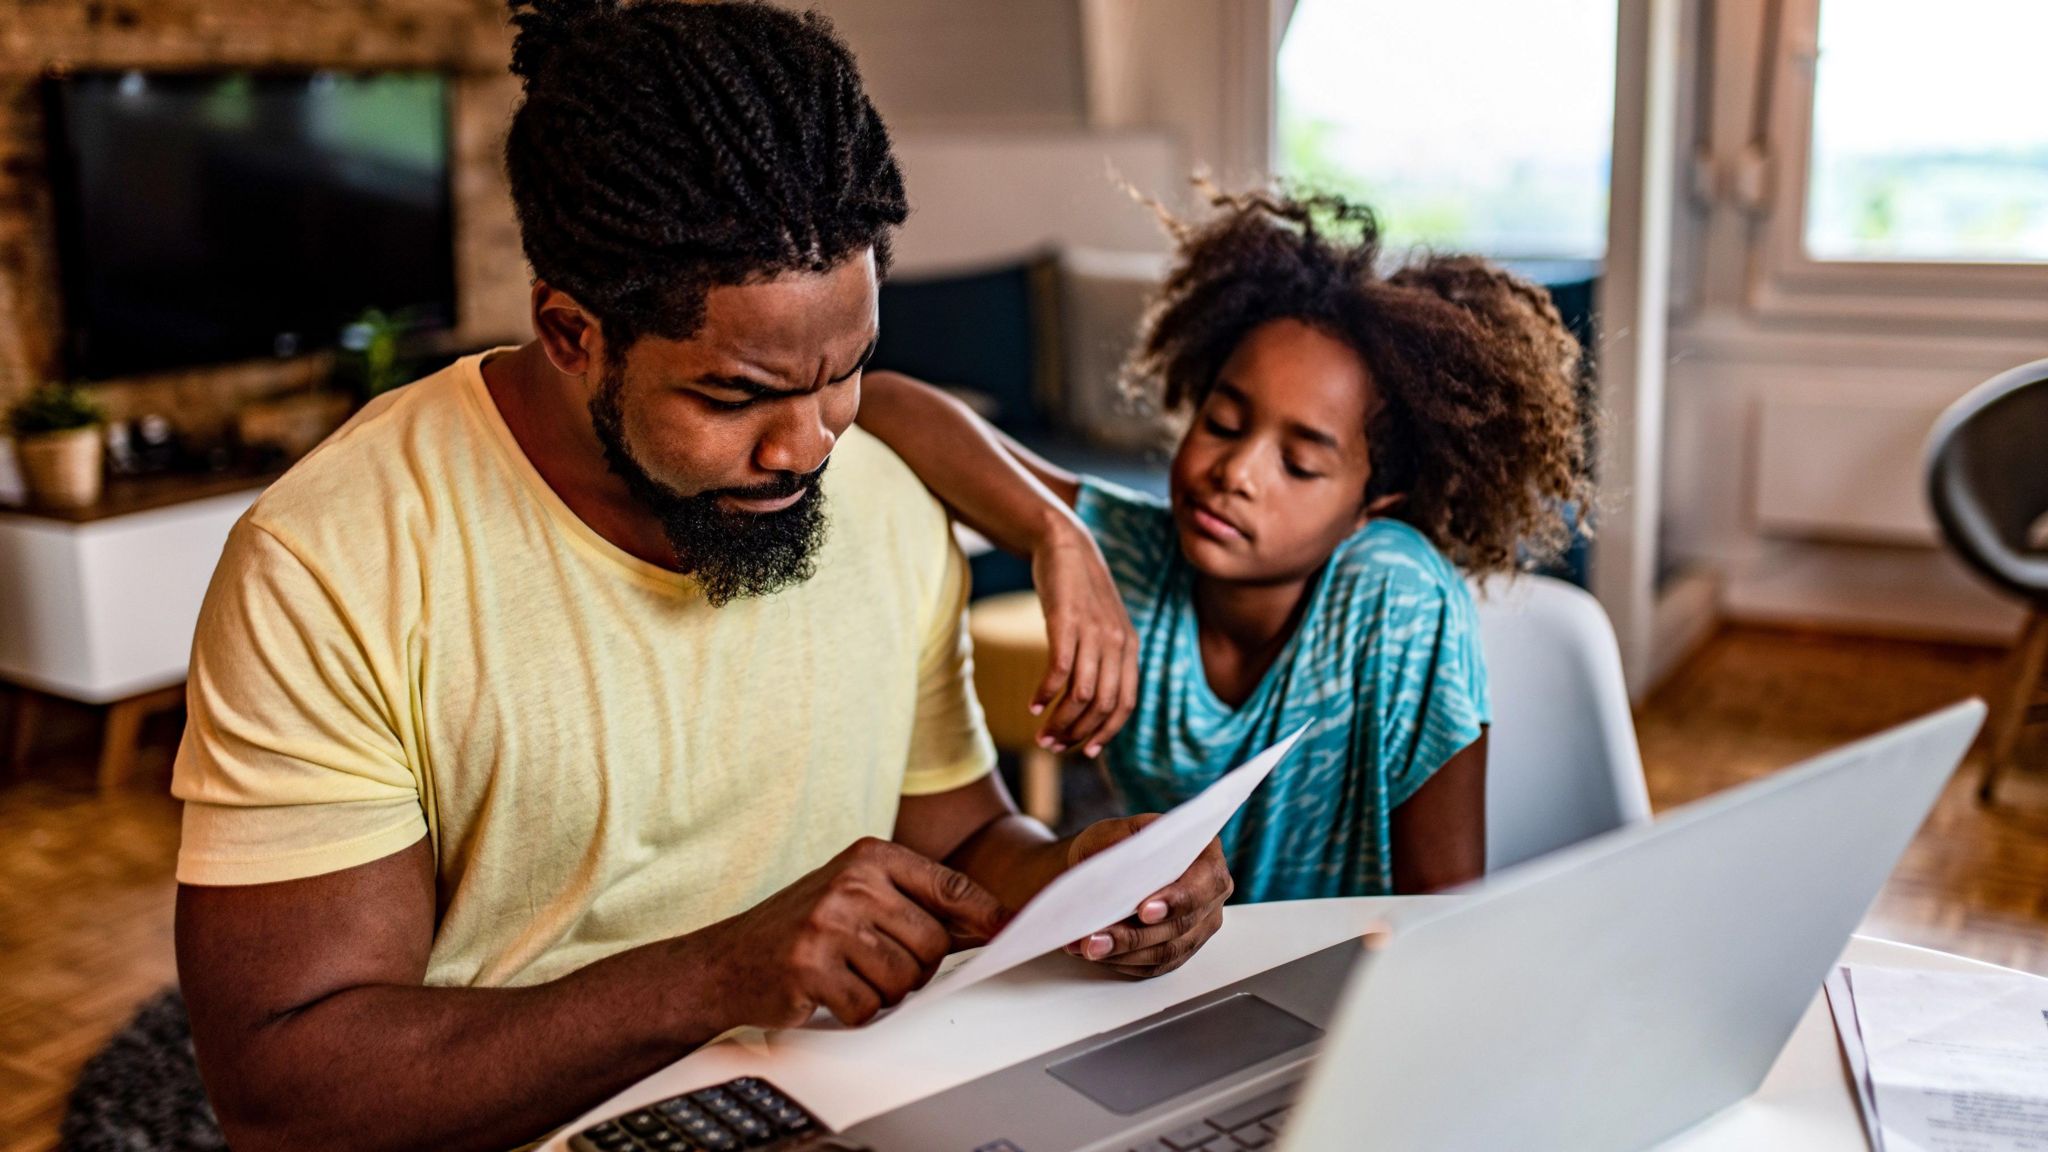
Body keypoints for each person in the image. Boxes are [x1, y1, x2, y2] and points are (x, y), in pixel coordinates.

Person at [169, 5, 1228, 1150]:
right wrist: (711, 975)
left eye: (845, 373)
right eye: (734, 398)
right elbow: (284, 1093)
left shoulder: (880, 496)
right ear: (571, 333)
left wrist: (1083, 885)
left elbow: (962, 845)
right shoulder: (334, 562)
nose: (809, 447)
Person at [859, 187, 1592, 902]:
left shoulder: (1397, 595)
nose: (1235, 473)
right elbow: (885, 403)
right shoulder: (1135, 552)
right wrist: (1058, 535)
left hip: (1346, 986)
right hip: (1178, 979)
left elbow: (1446, 903)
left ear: (1372, 508)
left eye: (1299, 464)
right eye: (1224, 423)